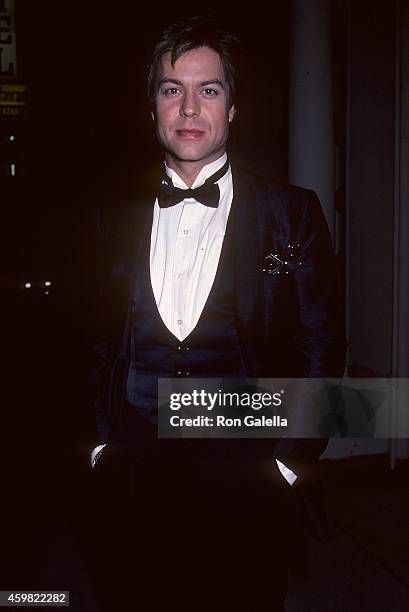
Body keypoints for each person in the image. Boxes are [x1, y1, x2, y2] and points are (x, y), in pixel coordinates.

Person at [88, 15, 345, 612]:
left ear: (233, 108)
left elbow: (321, 345)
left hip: (247, 476)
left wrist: (288, 461)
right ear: (151, 105)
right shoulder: (108, 218)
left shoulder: (291, 214)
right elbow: (91, 338)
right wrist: (100, 446)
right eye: (171, 88)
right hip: (134, 473)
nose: (189, 108)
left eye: (209, 89)